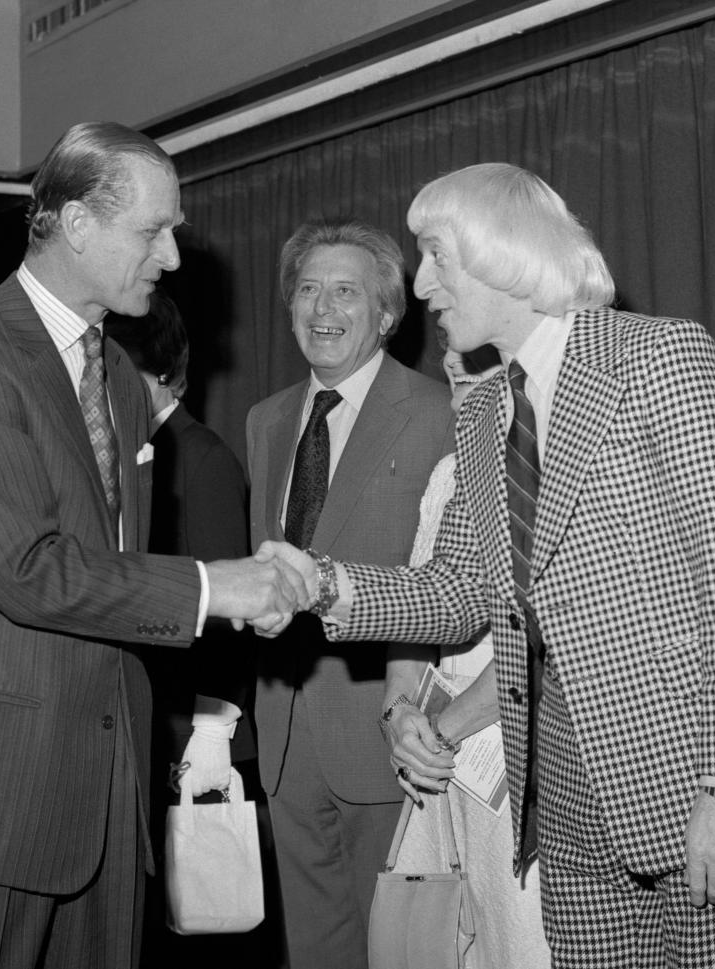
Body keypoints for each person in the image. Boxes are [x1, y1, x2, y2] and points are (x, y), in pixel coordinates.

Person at [259, 163, 715, 967]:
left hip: (687, 796)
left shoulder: (660, 358)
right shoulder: (483, 416)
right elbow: (458, 593)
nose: (424, 283)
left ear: (500, 249)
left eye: (436, 254)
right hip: (563, 814)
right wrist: (325, 582)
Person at [0, 121, 305, 969]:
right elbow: (26, 569)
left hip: (110, 789)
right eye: (155, 230)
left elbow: (107, 558)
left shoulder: (114, 372)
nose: (176, 256)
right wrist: (216, 587)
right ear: (75, 223)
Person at [230, 218, 454, 969]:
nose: (321, 307)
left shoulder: (442, 413)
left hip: (390, 738)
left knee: (402, 953)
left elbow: (457, 587)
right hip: (286, 740)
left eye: (346, 291)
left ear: (388, 313)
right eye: (307, 289)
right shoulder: (266, 420)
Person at [104, 294, 266, 959]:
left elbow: (227, 617)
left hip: (195, 743)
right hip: (153, 731)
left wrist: (208, 731)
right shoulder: (137, 451)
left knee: (202, 933)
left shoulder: (199, 458)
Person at [384, 344, 549, 969]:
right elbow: (415, 606)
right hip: (439, 754)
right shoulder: (448, 474)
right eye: (452, 382)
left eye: (474, 381)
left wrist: (443, 731)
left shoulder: (548, 471)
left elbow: (538, 641)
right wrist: (400, 714)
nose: (459, 403)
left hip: (516, 750)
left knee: (521, 942)